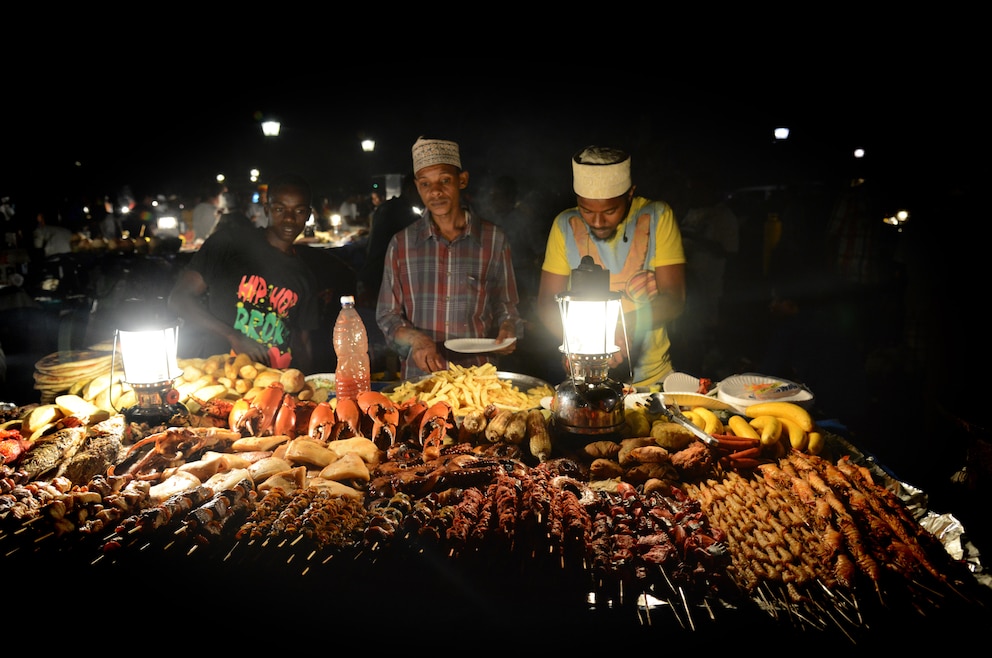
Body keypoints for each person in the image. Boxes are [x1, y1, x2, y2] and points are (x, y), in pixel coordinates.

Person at [536, 146, 686, 389]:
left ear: (630, 195)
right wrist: (574, 344)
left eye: (610, 211)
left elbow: (674, 299)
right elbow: (546, 303)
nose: (597, 222)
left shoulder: (657, 216)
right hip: (585, 380)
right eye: (586, 210)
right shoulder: (565, 225)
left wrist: (620, 329)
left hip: (652, 380)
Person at [375, 137, 523, 380]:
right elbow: (387, 316)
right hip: (421, 380)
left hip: (479, 378)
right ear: (417, 187)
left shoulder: (494, 239)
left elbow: (506, 304)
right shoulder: (400, 245)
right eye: (425, 184)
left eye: (445, 180)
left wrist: (509, 327)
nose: (435, 191)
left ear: (462, 180)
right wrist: (416, 339)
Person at [168, 173, 321, 372]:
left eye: (299, 211)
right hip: (221, 377)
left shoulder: (305, 276)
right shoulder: (229, 243)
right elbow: (178, 298)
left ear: (308, 215)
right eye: (279, 209)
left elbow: (302, 342)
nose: (289, 219)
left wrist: (308, 385)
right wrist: (233, 336)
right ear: (267, 209)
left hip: (273, 385)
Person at [670, 171, 740, 376]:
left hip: (708, 286)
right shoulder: (691, 212)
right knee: (685, 335)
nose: (693, 193)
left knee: (703, 337)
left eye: (697, 188)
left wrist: (696, 239)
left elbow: (730, 251)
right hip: (687, 287)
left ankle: (703, 375)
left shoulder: (724, 216)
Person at [356, 171, 421, 306]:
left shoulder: (387, 206)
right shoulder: (402, 212)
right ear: (410, 189)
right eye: (424, 187)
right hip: (379, 280)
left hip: (372, 277)